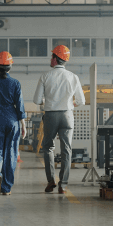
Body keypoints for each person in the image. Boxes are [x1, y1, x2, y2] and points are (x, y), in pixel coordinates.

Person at [33, 44, 85, 194]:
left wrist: (49, 101)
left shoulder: (45, 76)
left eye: (52, 56)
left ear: (55, 59)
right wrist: (69, 104)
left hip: (50, 115)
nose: (50, 59)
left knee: (48, 147)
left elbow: (37, 100)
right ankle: (63, 184)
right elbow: (81, 101)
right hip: (67, 115)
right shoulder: (73, 77)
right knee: (66, 150)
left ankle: (51, 181)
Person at [0, 52, 27, 197]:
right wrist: (23, 125)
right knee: (11, 153)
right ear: (10, 66)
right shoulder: (15, 83)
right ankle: (6, 188)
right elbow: (20, 106)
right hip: (12, 120)